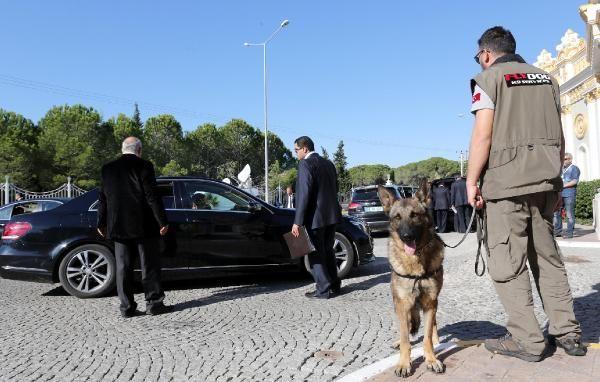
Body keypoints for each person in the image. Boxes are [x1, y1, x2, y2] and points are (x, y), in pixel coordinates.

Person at [467, 26, 585, 361]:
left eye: (479, 58)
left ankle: (527, 341)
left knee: (509, 264)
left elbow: (482, 137)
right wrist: (558, 181)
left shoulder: (486, 81)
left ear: (486, 54)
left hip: (506, 188)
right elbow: (560, 137)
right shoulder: (548, 79)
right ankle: (568, 333)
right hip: (546, 183)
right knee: (548, 260)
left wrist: (472, 181)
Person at [97, 137, 174, 318]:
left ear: (123, 148)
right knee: (149, 266)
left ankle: (127, 307)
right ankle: (154, 304)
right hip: (144, 225)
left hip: (118, 225)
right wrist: (162, 222)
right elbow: (152, 196)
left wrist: (101, 222)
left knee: (123, 268)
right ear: (139, 150)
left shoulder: (107, 169)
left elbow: (103, 198)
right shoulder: (144, 166)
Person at [291, 136, 342, 299]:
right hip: (332, 217)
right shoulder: (328, 164)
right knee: (328, 251)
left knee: (315, 254)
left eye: (296, 150)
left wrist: (297, 222)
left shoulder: (305, 164)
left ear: (305, 148)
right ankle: (334, 285)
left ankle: (323, 289)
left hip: (315, 219)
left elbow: (304, 194)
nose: (296, 154)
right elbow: (336, 189)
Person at [553, 153, 580, 239]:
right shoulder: (561, 169)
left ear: (570, 159)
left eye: (565, 159)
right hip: (559, 194)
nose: (563, 161)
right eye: (562, 159)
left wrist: (562, 186)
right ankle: (558, 232)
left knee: (569, 214)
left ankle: (569, 233)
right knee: (557, 213)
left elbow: (574, 181)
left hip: (569, 194)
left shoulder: (574, 169)